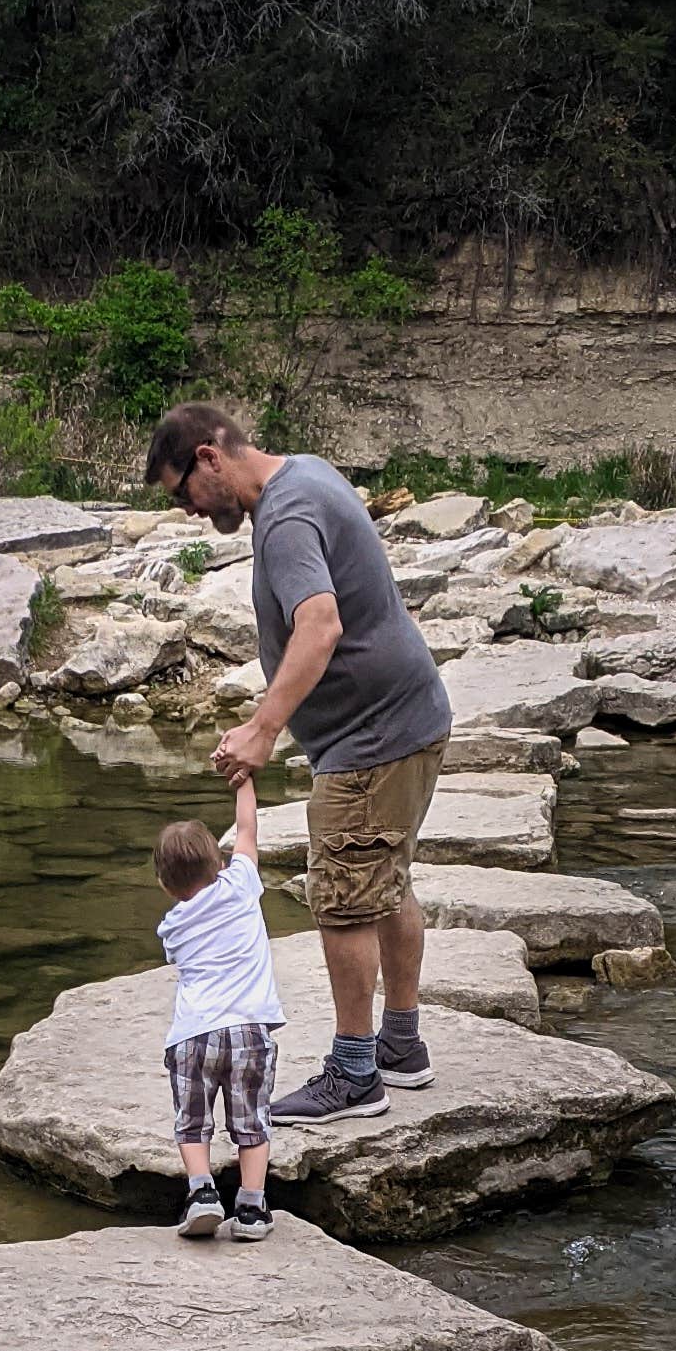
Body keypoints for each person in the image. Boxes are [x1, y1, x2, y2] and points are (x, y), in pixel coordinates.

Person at [145, 401, 450, 1127]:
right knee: (383, 880)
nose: (188, 511)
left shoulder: (281, 519)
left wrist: (263, 728)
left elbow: (320, 623)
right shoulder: (307, 475)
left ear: (209, 457)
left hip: (370, 739)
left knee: (343, 897)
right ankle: (400, 1046)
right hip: (409, 716)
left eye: (181, 491)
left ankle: (355, 1075)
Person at [154, 775, 281, 1239]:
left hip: (192, 1035)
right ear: (222, 863)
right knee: (251, 1121)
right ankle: (250, 1208)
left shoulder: (172, 927)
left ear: (165, 885)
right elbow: (247, 829)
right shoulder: (241, 884)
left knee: (192, 1121)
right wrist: (244, 780)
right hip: (249, 1029)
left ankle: (203, 1191)